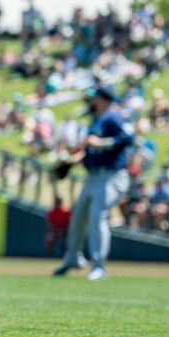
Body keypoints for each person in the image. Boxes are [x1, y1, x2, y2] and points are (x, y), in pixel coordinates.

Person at [52, 84, 133, 280]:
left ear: (103, 99)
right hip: (93, 176)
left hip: (112, 175)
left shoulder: (113, 116)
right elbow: (92, 148)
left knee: (97, 215)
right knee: (78, 216)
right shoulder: (96, 119)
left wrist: (103, 143)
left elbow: (128, 138)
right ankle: (72, 258)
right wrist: (77, 158)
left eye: (94, 97)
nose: (90, 101)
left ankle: (99, 266)